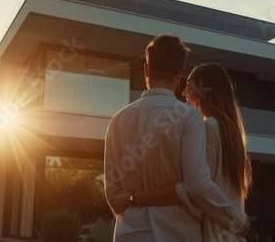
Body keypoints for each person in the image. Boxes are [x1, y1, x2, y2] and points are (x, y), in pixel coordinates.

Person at [104, 35, 249, 242]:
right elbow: (197, 186)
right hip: (179, 234)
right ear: (180, 74)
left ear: (146, 69)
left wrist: (133, 203)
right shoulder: (190, 118)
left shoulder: (116, 121)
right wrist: (236, 219)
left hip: (130, 235)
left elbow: (112, 194)